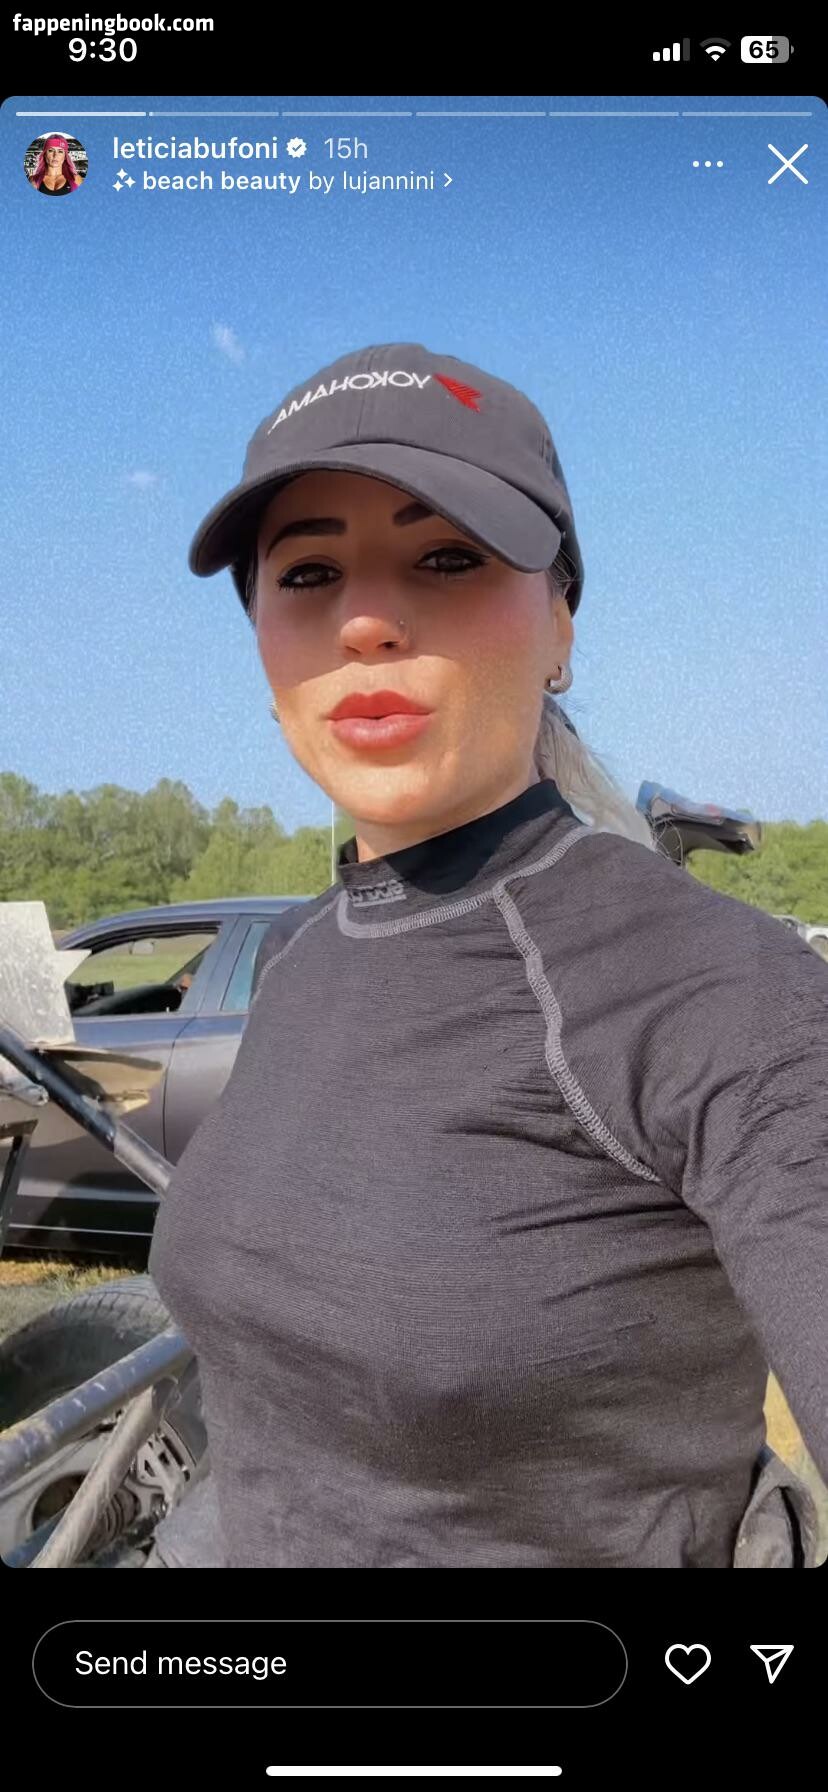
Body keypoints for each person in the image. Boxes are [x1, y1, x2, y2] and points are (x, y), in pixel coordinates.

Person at [144, 342, 827, 1569]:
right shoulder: (300, 951)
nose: (364, 621)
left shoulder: (718, 988)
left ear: (560, 619)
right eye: (307, 572)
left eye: (448, 557)